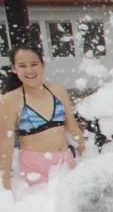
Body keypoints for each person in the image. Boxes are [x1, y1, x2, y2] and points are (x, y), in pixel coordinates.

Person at [0, 45, 86, 190]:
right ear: (14, 69)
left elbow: (71, 125)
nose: (29, 70)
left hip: (65, 161)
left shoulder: (57, 90)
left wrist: (84, 151)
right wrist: (6, 182)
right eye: (22, 66)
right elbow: (5, 143)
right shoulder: (10, 99)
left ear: (43, 64)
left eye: (34, 64)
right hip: (35, 168)